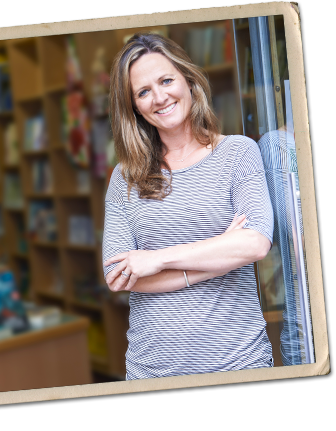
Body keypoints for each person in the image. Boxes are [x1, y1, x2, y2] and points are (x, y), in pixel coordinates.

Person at [102, 33, 275, 416]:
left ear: (189, 82)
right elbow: (117, 273)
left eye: (166, 81)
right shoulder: (125, 177)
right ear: (133, 106)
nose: (159, 97)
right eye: (143, 91)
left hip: (236, 367)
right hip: (156, 376)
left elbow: (256, 243)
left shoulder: (238, 153)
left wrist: (157, 259)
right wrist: (219, 255)